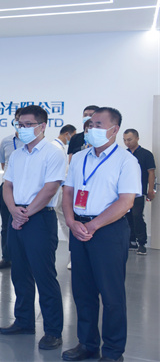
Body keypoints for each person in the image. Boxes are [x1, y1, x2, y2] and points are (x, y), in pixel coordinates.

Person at [61, 107, 140, 362]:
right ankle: (87, 344)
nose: (91, 128)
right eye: (90, 124)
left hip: (108, 230)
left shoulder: (126, 161)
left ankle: (113, 351)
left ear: (114, 129)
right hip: (79, 228)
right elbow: (68, 191)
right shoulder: (79, 157)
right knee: (82, 292)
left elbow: (126, 201)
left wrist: (93, 226)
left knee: (111, 294)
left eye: (98, 124)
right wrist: (71, 221)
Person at [0, 105, 66, 350]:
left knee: (44, 275)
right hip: (17, 215)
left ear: (42, 126)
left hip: (39, 218)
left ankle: (53, 331)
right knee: (19, 273)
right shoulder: (16, 155)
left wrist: (25, 214)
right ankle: (24, 321)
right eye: (20, 124)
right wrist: (14, 211)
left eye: (28, 124)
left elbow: (50, 188)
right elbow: (7, 185)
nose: (23, 129)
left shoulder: (53, 153)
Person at [0, 108, 24, 270]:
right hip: (7, 188)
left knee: (25, 224)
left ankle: (25, 258)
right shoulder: (6, 141)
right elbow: (3, 164)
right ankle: (7, 257)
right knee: (6, 224)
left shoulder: (35, 143)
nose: (20, 123)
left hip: (26, 191)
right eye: (17, 119)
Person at [122, 128, 156, 255]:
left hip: (139, 191)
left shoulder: (146, 154)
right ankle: (131, 241)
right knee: (127, 216)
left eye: (129, 139)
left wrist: (150, 190)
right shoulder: (123, 154)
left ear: (137, 138)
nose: (127, 142)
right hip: (125, 192)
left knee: (137, 216)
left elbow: (151, 173)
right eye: (125, 140)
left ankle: (142, 243)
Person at [52, 124, 76, 269]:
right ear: (67, 134)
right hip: (57, 191)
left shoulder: (60, 148)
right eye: (73, 136)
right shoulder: (55, 148)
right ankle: (74, 253)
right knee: (65, 223)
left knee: (65, 223)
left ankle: (74, 253)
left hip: (60, 190)